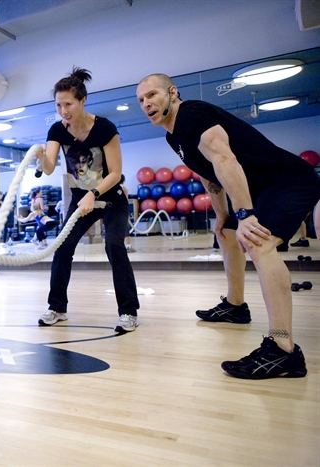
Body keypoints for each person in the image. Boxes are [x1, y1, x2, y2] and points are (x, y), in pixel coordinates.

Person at [136, 73, 320, 379]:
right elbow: (208, 173)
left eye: (152, 95)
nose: (146, 104)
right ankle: (236, 307)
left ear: (172, 92)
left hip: (286, 181)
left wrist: (246, 214)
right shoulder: (173, 135)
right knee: (228, 235)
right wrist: (223, 216)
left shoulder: (192, 114)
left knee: (259, 244)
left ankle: (282, 349)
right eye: (141, 100)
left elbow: (224, 159)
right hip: (254, 188)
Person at [35, 67, 140, 333]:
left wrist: (94, 194)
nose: (63, 110)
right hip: (81, 200)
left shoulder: (105, 128)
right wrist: (40, 157)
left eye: (68, 104)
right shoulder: (57, 130)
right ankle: (57, 308)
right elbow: (48, 168)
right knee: (63, 247)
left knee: (114, 246)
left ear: (82, 101)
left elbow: (116, 173)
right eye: (58, 105)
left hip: (110, 196)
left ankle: (129, 312)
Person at [120, 175, 134, 252]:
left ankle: (127, 246)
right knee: (125, 228)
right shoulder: (124, 189)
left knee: (124, 228)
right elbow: (125, 200)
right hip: (121, 211)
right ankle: (128, 246)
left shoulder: (122, 188)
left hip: (118, 210)